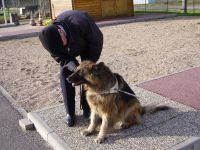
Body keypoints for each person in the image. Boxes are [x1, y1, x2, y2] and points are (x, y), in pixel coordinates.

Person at [39, 10, 103, 127]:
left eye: (62, 44)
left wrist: (86, 66)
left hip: (87, 46)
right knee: (65, 72)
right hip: (70, 51)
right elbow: (56, 53)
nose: (63, 47)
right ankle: (70, 113)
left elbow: (97, 41)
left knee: (86, 76)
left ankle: (87, 108)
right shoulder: (49, 37)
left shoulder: (81, 22)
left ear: (61, 32)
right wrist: (67, 62)